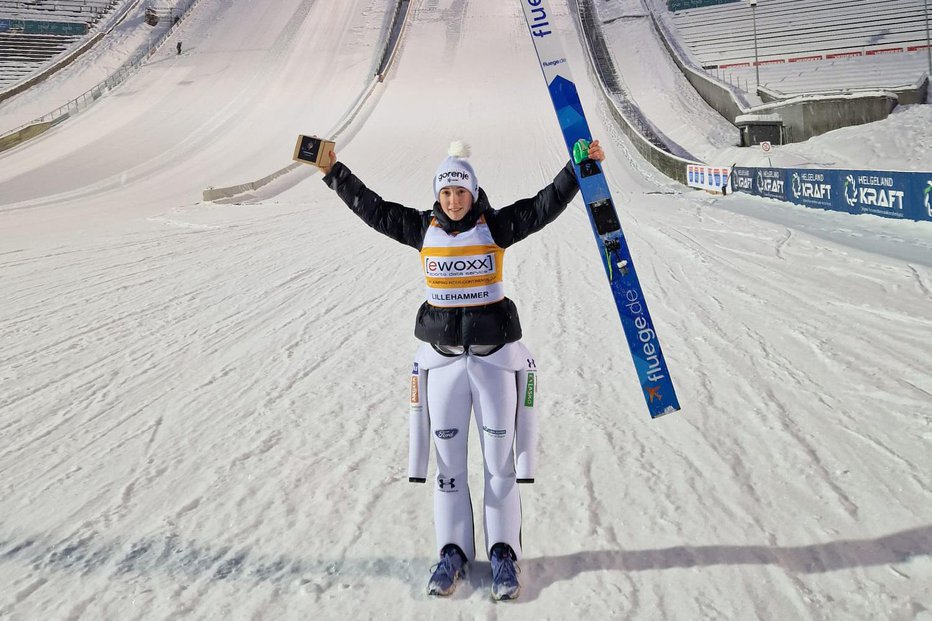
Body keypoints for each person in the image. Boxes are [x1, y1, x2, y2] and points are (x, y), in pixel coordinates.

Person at [320, 139, 605, 600]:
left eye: (462, 192)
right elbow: (373, 210)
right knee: (449, 470)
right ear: (438, 195)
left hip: (493, 364)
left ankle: (503, 554)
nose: (454, 201)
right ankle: (451, 551)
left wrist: (577, 169)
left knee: (499, 468)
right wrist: (335, 172)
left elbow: (541, 207)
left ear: (473, 193)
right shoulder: (420, 229)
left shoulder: (495, 227)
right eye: (447, 193)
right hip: (445, 365)